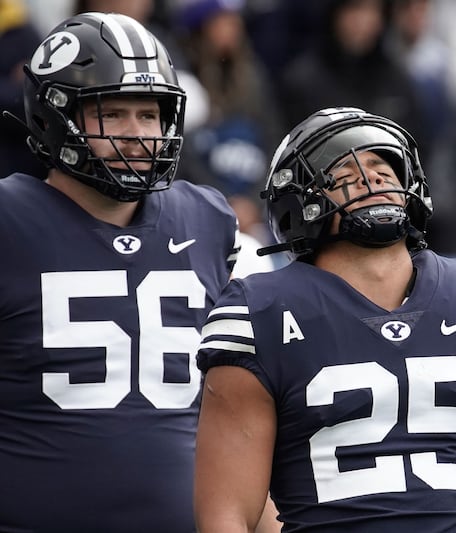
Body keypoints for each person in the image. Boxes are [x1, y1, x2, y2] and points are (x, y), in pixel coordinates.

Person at [193, 107, 456, 531]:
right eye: (342, 172)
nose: (370, 177)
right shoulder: (259, 312)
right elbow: (227, 516)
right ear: (299, 201)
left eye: (381, 167)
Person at [0, 12, 240, 531]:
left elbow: (239, 410)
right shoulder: (10, 222)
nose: (138, 135)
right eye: (112, 114)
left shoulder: (207, 219)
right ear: (54, 116)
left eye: (150, 115)